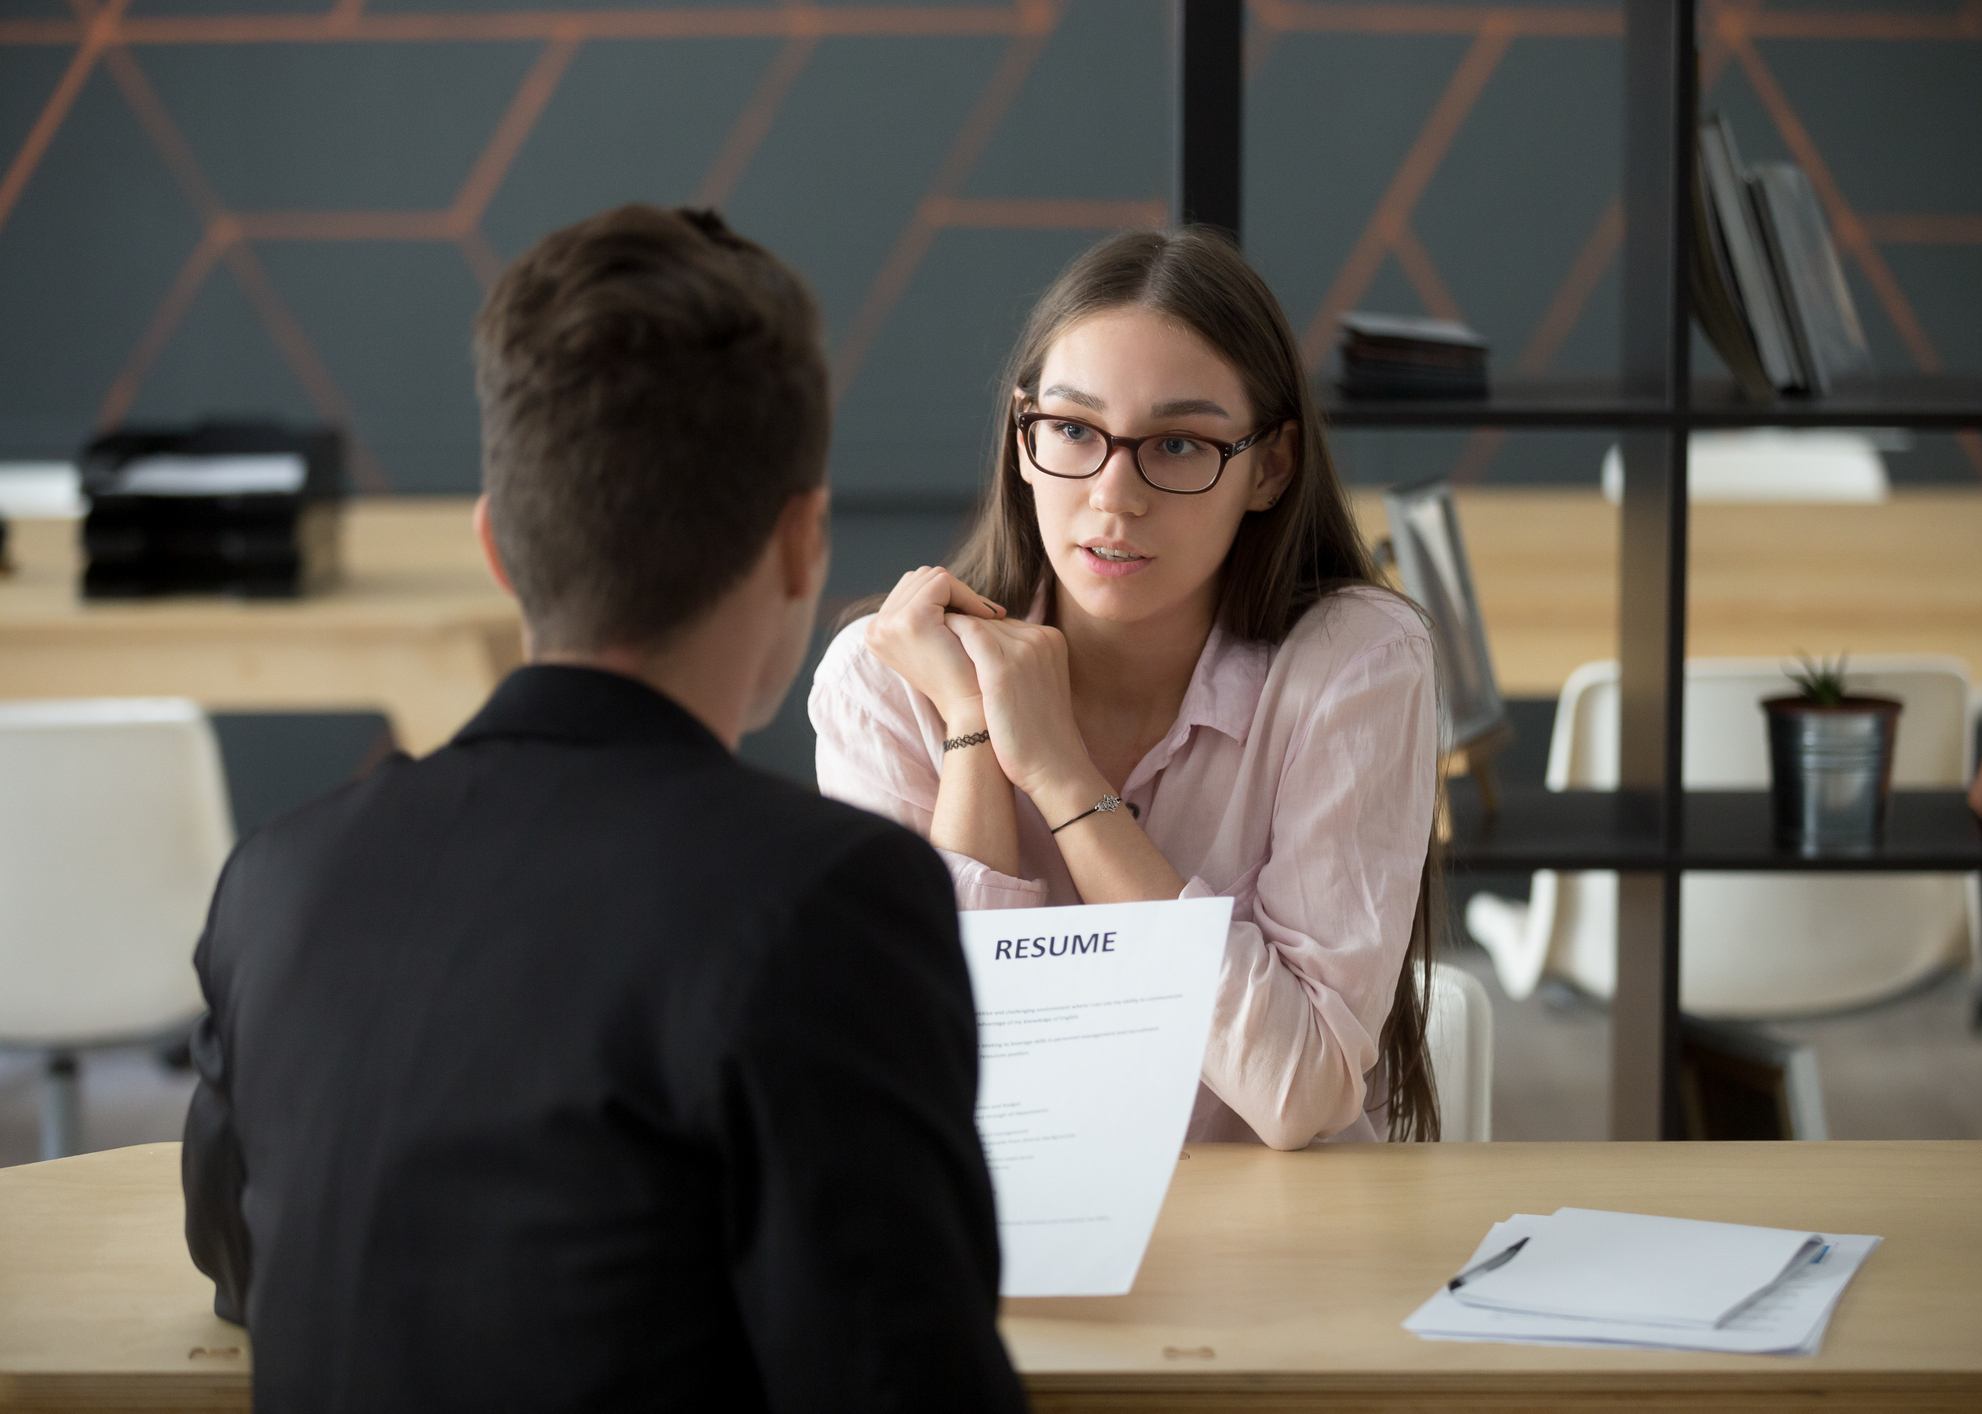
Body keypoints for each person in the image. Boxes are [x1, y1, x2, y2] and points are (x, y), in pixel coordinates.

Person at [180, 205, 1024, 1413]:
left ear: (499, 548)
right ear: (803, 545)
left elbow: (239, 1265)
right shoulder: (825, 901)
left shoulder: (278, 878)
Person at [810, 227, 1445, 1151]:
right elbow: (940, 1074)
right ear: (1024, 440)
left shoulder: (1353, 661)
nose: (1114, 497)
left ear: (1268, 468)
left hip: (1281, 1252)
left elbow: (1301, 1089)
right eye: (1072, 430)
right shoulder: (885, 680)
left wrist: (1067, 783)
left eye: (1179, 445)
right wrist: (972, 735)